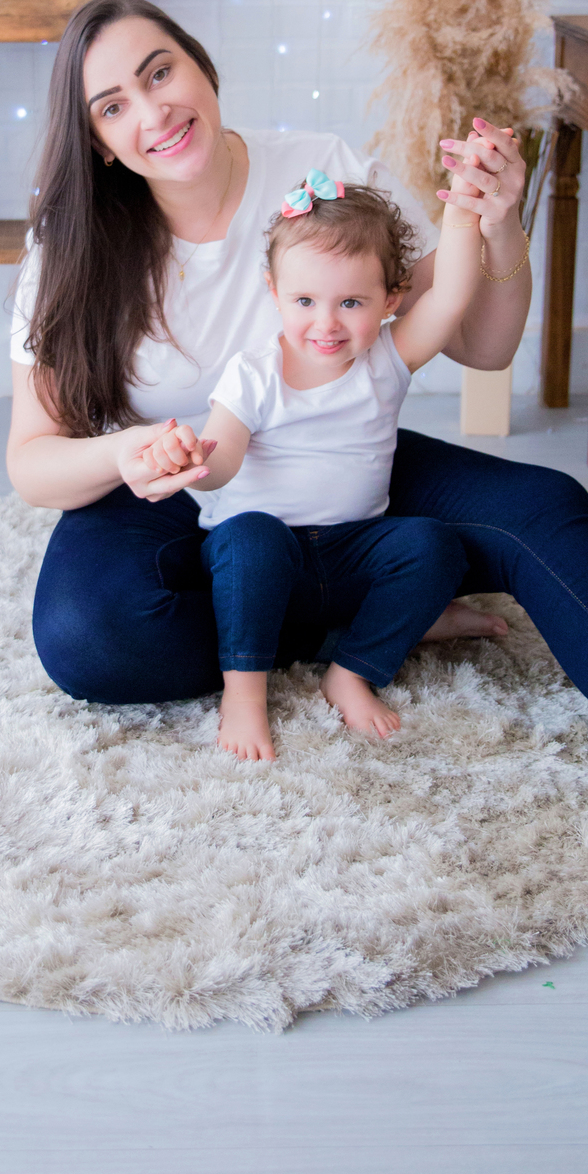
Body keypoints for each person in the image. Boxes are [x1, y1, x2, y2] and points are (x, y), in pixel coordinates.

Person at [6, 0, 588, 880]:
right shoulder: (71, 246)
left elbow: (481, 343)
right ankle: (367, 618)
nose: (153, 111)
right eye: (113, 106)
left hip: (344, 464)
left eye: (160, 72)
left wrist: (498, 222)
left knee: (544, 507)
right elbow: (33, 462)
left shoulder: (320, 170)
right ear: (98, 141)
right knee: (87, 634)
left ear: (201, 67)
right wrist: (125, 452)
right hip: (186, 478)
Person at [134, 175, 486, 761]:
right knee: (251, 537)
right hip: (262, 564)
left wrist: (463, 215)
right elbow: (223, 461)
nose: (326, 324)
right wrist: (194, 460)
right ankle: (244, 693)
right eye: (305, 302)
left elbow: (449, 297)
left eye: (351, 303)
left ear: (391, 299)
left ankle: (351, 671)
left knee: (434, 546)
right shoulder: (254, 374)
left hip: (352, 551)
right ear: (274, 292)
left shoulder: (388, 360)